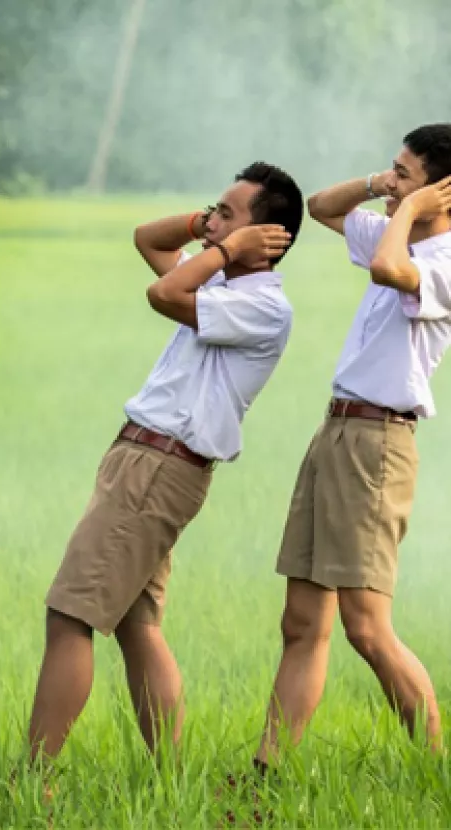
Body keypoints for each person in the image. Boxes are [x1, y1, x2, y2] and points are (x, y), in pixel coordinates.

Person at [26, 162, 304, 767]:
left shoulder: (261, 306)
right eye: (214, 210)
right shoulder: (222, 284)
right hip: (147, 461)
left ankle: (32, 780)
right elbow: (148, 240)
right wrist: (211, 227)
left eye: (228, 213)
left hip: (157, 466)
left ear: (265, 238)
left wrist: (225, 248)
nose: (211, 224)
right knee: (135, 625)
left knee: (70, 615)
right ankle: (170, 779)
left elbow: (163, 293)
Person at [252, 124, 451, 773]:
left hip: (378, 446)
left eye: (405, 174)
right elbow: (321, 208)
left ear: (441, 195)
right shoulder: (397, 224)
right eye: (390, 170)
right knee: (301, 622)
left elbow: (387, 268)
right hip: (337, 431)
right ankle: (268, 770)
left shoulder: (443, 259)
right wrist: (384, 188)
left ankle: (433, 765)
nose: (391, 183)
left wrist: (414, 211)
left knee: (365, 627)